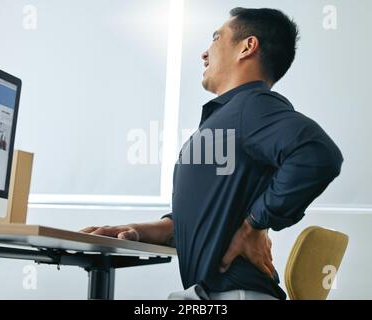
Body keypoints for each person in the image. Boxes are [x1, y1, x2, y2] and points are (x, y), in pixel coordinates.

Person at [81, 7, 343, 300]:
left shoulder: (252, 106)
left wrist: (255, 223)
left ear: (247, 47)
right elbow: (201, 221)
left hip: (232, 294)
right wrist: (135, 230)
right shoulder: (232, 116)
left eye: (216, 39)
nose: (204, 53)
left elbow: (319, 153)